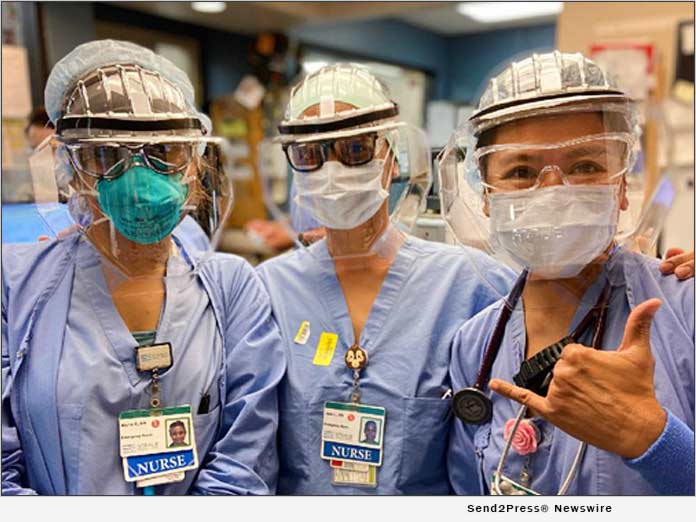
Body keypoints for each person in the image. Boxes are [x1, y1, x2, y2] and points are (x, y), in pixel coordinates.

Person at [2, 39, 285, 495]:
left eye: (164, 152)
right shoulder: (15, 286)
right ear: (69, 168)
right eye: (106, 156)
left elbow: (244, 459)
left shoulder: (231, 288)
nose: (139, 177)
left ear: (194, 164)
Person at [442, 51, 694, 495]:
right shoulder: (475, 345)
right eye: (521, 171)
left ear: (621, 185)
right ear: (485, 196)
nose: (555, 191)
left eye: (586, 166)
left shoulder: (682, 311)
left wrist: (654, 439)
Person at [256, 63, 515, 495]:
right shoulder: (268, 289)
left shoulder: (472, 284)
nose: (331, 170)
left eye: (355, 148)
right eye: (310, 154)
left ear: (390, 156)